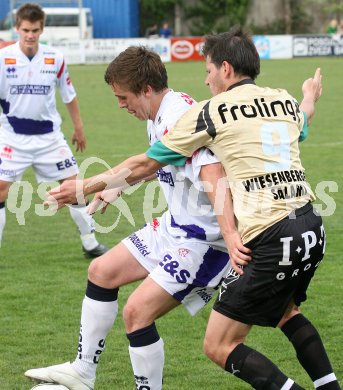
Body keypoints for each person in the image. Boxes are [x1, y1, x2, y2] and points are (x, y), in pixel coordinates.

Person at [27, 33, 329, 390]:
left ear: (146, 89)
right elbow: (163, 162)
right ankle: (82, 371)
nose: (121, 105)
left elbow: (210, 173)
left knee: (146, 318)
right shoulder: (267, 101)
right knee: (101, 270)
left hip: (207, 239)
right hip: (194, 225)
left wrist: (84, 186)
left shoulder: (193, 113)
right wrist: (117, 186)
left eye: (123, 98)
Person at [0, 3, 107, 258]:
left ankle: (90, 242)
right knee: (1, 189)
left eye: (35, 30)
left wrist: (79, 127)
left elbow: (68, 95)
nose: (30, 35)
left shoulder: (55, 58)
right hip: (12, 138)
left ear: (42, 29)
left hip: (49, 139)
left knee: (74, 187)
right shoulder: (3, 60)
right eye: (25, 30)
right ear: (17, 28)